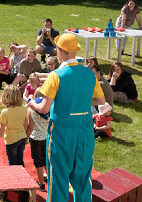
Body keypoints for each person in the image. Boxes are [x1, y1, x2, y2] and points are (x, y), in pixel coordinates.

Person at [28, 32, 105, 202]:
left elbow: (43, 107)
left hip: (62, 133)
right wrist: (81, 101)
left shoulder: (56, 75)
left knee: (59, 179)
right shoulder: (89, 74)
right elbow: (101, 100)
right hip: (85, 131)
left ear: (60, 51)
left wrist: (31, 102)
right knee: (84, 179)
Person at [0, 84, 28, 166]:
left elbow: (1, 129)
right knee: (20, 160)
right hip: (22, 137)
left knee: (13, 163)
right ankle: (22, 177)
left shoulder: (5, 112)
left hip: (11, 140)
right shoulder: (24, 108)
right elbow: (25, 125)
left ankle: (15, 178)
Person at [26, 89, 48, 190]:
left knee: (38, 162)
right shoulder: (48, 110)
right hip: (46, 137)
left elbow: (30, 127)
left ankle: (41, 184)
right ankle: (49, 179)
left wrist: (26, 137)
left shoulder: (31, 110)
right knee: (45, 160)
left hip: (35, 139)